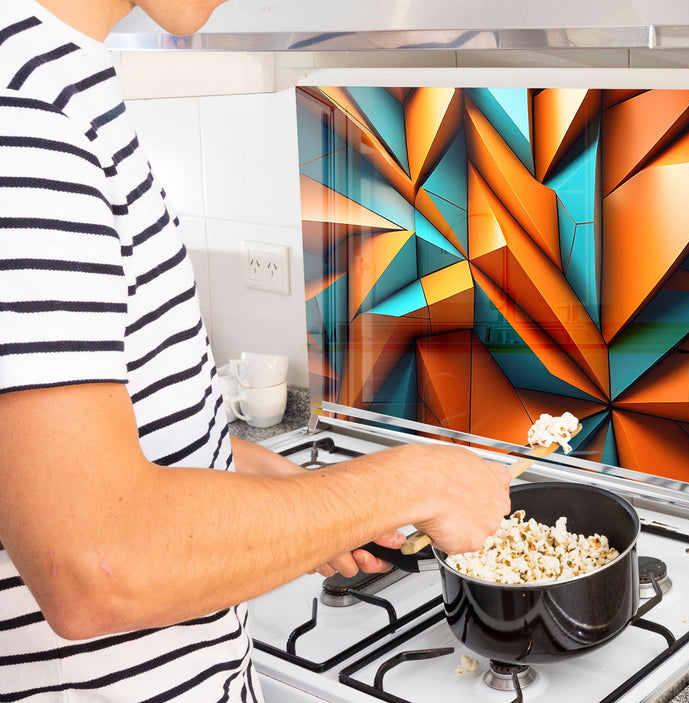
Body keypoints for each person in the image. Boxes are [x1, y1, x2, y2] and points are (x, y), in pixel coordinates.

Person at [0, 0, 513, 699]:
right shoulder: (24, 116)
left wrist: (295, 497)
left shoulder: (56, 79)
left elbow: (78, 453)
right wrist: (416, 480)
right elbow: (97, 563)